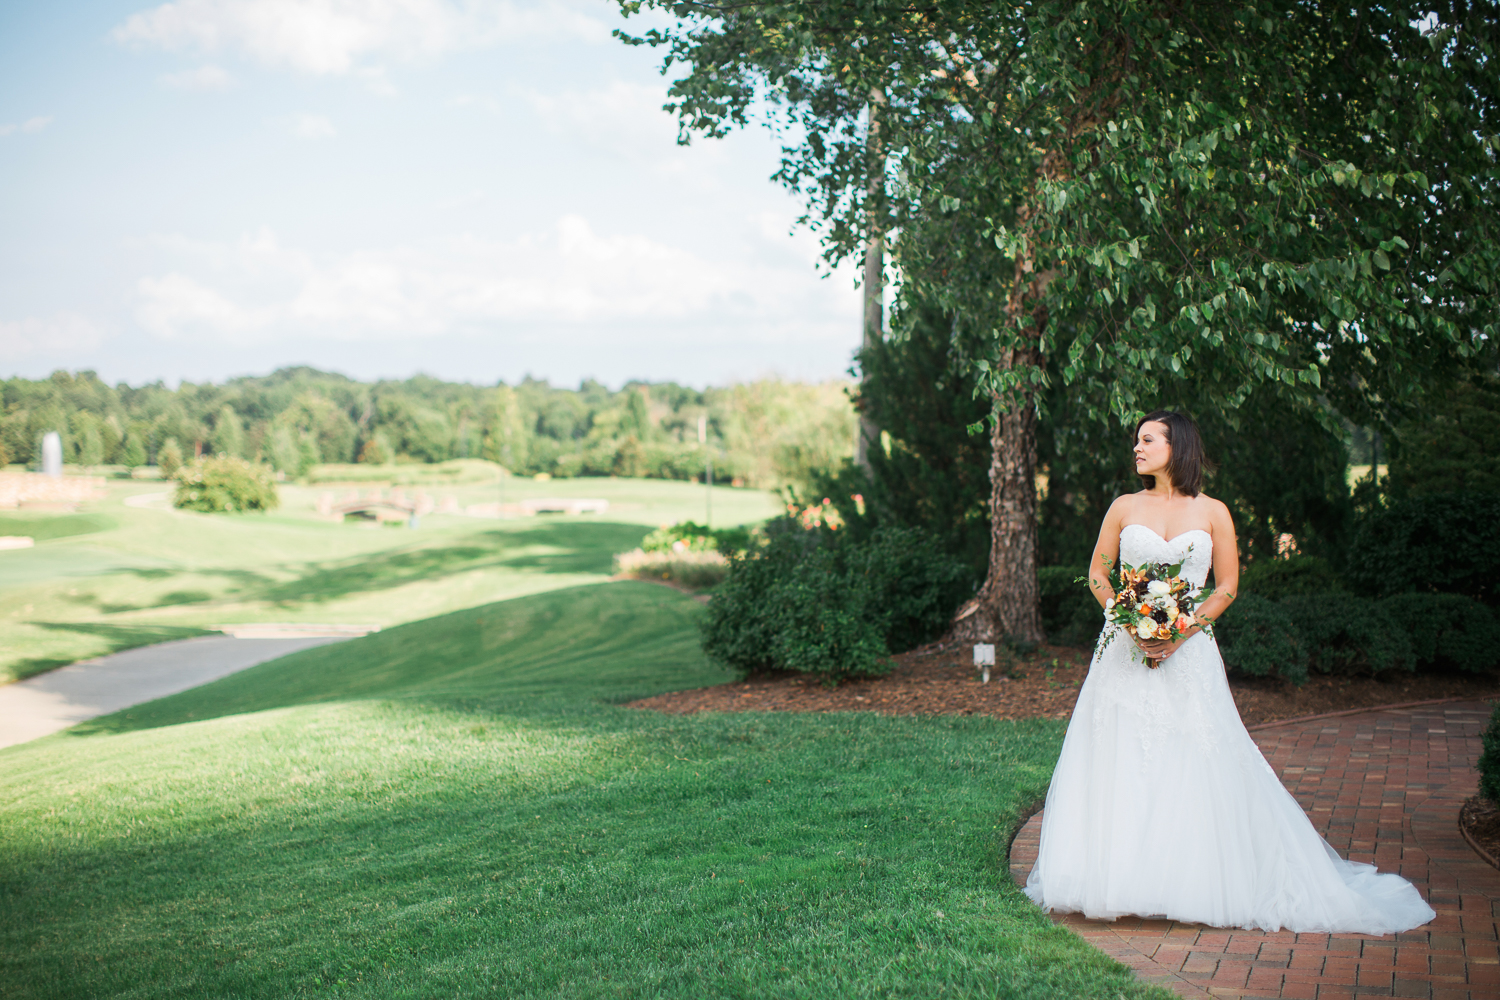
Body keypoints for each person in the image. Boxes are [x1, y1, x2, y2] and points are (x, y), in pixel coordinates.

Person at [1023, 410, 1435, 933]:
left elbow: (1227, 585)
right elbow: (1097, 573)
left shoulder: (1214, 511)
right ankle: (1118, 878)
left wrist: (1180, 631)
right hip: (1122, 654)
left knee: (1194, 757)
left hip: (1189, 653)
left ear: (1179, 445)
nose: (1137, 447)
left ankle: (1189, 880)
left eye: (1147, 439)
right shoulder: (1124, 506)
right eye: (1136, 440)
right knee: (1119, 753)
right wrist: (1128, 622)